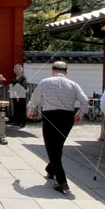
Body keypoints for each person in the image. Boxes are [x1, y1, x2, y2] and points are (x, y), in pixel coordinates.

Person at [27, 61, 89, 193]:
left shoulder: (45, 82)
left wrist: (31, 109)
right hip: (67, 117)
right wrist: (80, 113)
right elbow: (85, 101)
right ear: (66, 72)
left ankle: (61, 181)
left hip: (50, 116)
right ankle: (50, 169)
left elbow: (35, 97)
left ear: (52, 70)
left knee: (51, 146)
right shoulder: (73, 84)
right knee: (58, 145)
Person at [9, 64, 29, 128]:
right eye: (16, 69)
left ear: (21, 70)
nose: (18, 71)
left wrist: (18, 95)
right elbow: (13, 87)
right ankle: (16, 121)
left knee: (22, 109)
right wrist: (15, 95)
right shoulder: (14, 78)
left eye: (19, 69)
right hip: (15, 95)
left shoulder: (23, 78)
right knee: (16, 109)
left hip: (22, 95)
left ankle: (22, 122)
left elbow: (23, 86)